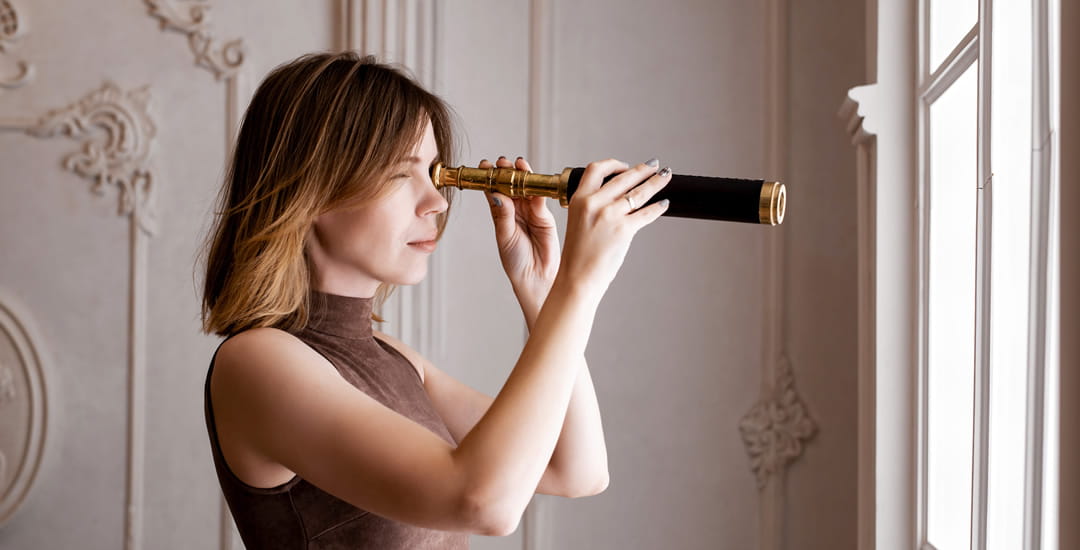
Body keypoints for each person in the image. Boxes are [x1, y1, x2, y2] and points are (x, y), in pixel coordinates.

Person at [199, 51, 671, 549]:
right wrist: (580, 286)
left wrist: (545, 290)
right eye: (401, 175)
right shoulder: (256, 363)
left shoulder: (396, 360)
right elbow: (484, 502)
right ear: (310, 187)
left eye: (434, 173)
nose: (438, 202)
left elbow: (577, 469)